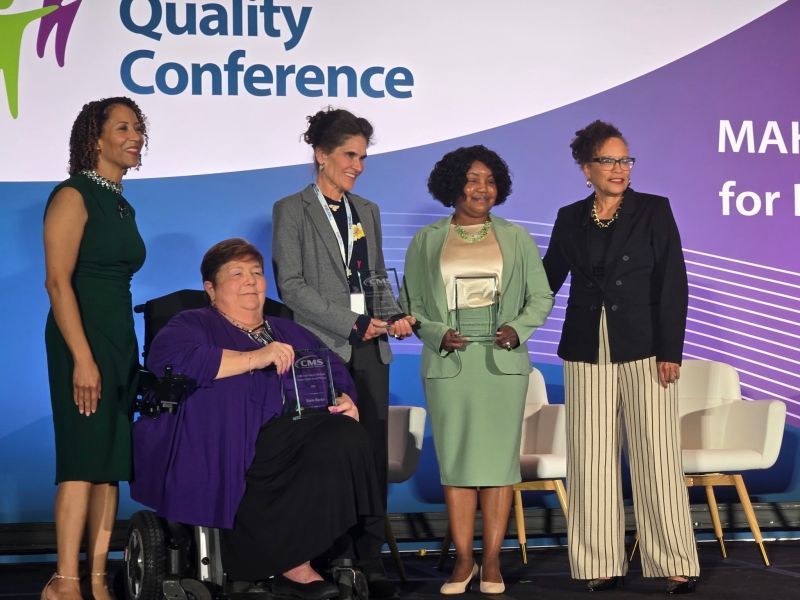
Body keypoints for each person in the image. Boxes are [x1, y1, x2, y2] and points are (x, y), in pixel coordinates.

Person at [131, 238, 384, 599]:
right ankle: (292, 567)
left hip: (295, 430)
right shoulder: (192, 323)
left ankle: (338, 557)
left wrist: (346, 399)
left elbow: (333, 372)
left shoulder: (289, 330)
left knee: (345, 437)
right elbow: (172, 361)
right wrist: (256, 357)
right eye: (237, 273)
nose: (250, 280)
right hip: (231, 440)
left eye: (256, 272)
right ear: (211, 289)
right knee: (321, 445)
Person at [542, 120, 700, 594]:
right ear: (586, 168)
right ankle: (600, 562)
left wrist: (670, 350)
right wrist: (503, 317)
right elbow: (546, 282)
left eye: (625, 159)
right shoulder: (569, 217)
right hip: (585, 346)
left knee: (657, 454)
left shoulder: (654, 209)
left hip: (645, 347)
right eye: (608, 160)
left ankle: (674, 560)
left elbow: (673, 282)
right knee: (590, 458)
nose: (619, 168)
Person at [272, 107, 414, 596]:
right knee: (325, 453)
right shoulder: (291, 210)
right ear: (321, 154)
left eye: (363, 157)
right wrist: (351, 322)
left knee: (370, 455)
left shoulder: (367, 211)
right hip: (322, 348)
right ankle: (325, 554)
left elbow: (375, 278)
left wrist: (396, 316)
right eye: (350, 155)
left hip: (371, 348)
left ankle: (369, 557)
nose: (358, 165)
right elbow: (291, 286)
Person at [401, 145, 554, 594]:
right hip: (450, 361)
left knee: (499, 465)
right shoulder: (427, 239)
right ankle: (463, 562)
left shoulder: (516, 237)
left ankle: (491, 563)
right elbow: (411, 303)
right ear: (453, 185)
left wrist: (517, 329)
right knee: (457, 464)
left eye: (489, 180)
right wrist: (436, 333)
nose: (482, 188)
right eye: (472, 179)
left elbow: (540, 296)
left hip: (501, 360)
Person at [42, 97, 148, 600]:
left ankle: (99, 581)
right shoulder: (73, 194)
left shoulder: (122, 203)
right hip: (79, 340)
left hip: (118, 339)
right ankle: (64, 582)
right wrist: (82, 359)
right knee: (83, 459)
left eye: (138, 128)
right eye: (123, 128)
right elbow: (57, 283)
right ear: (95, 138)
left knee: (110, 466)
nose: (135, 136)